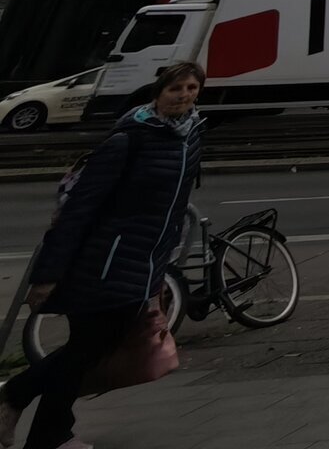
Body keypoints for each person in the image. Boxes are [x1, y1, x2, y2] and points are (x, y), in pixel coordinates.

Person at [0, 61, 206, 449]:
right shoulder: (128, 140)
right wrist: (47, 275)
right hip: (102, 263)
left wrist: (158, 272)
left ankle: (25, 407)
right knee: (85, 351)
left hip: (140, 265)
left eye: (192, 88)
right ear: (157, 93)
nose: (184, 96)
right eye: (175, 88)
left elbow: (172, 212)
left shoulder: (189, 136)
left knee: (88, 351)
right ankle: (42, 429)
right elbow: (79, 209)